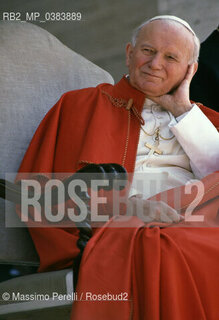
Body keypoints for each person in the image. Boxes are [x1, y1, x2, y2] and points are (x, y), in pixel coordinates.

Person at [17, 15, 219, 320]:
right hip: (129, 228)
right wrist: (124, 208)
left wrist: (182, 111)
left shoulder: (206, 120)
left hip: (198, 221)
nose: (155, 64)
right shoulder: (78, 106)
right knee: (170, 248)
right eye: (147, 51)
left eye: (171, 57)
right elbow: (40, 195)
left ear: (190, 70)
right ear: (129, 54)